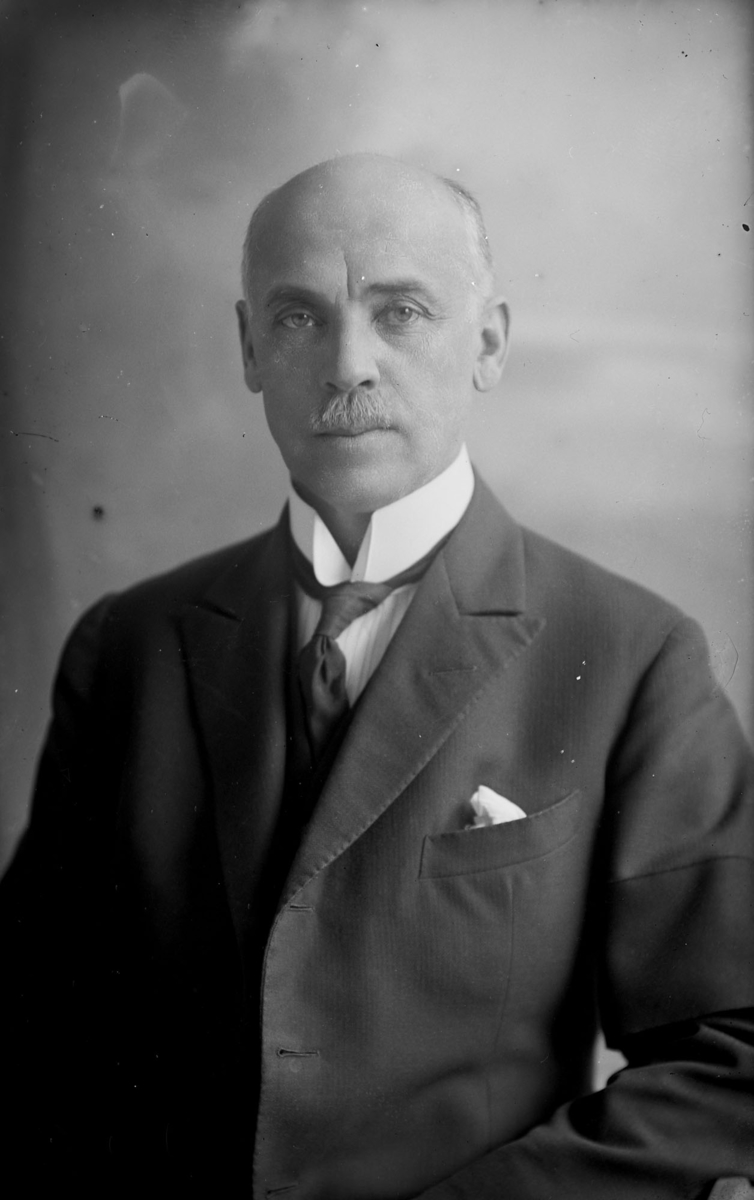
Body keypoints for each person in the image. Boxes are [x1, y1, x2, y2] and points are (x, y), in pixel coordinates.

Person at [2, 153, 753, 1199]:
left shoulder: (634, 655)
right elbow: (34, 1036)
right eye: (299, 316)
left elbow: (731, 1061)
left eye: (400, 312)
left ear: (487, 343)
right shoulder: (129, 645)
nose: (347, 363)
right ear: (249, 348)